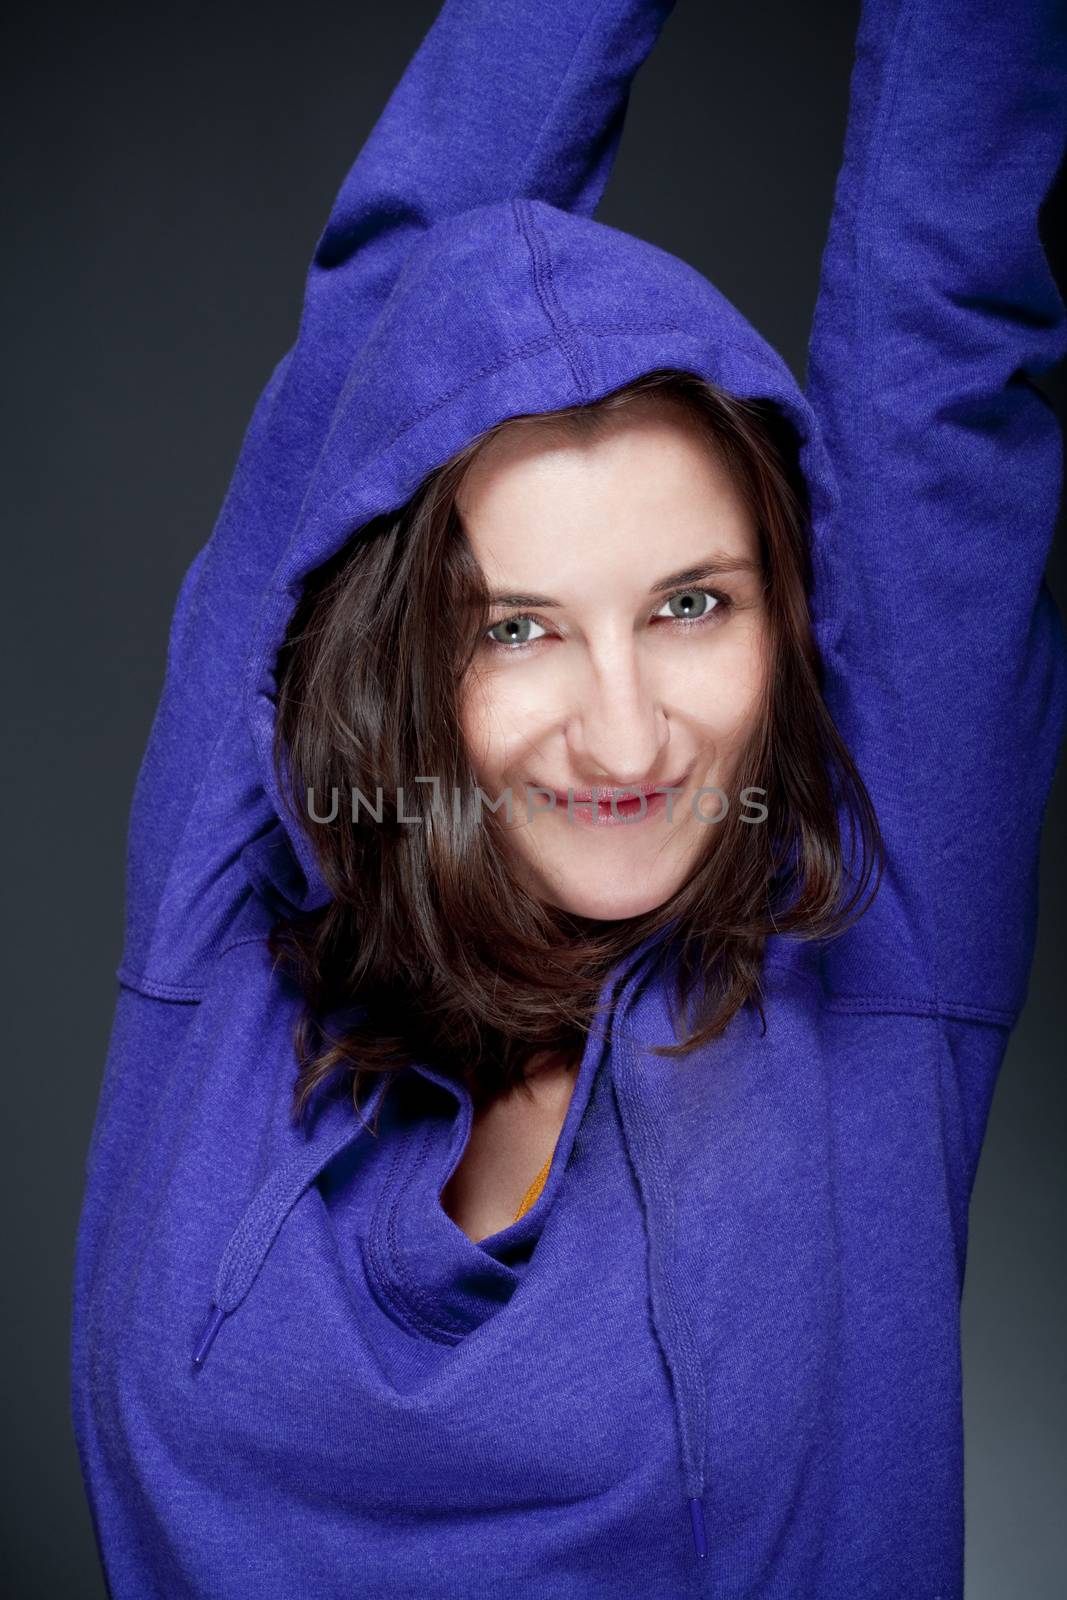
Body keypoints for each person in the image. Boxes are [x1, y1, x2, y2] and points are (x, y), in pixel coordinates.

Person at [70, 1, 1066, 1596]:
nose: (624, 739)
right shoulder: (227, 927)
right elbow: (388, 300)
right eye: (515, 629)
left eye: (694, 606)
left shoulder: (873, 929)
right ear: (395, 660)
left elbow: (942, 318)